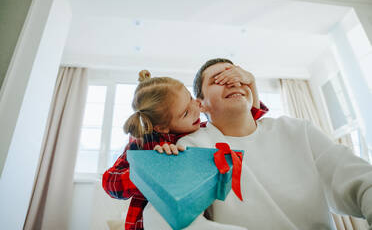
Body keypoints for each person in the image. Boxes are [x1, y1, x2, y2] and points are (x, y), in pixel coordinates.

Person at [143, 58, 372, 230]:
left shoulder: (296, 130)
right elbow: (162, 219)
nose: (233, 82)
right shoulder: (192, 146)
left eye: (237, 76)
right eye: (219, 80)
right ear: (200, 104)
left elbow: (362, 183)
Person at [102, 69, 268, 230]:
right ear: (162, 128)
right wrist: (154, 165)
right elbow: (111, 183)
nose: (196, 107)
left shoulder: (201, 130)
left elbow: (245, 120)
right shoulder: (142, 144)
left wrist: (251, 82)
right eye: (186, 112)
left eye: (190, 97)